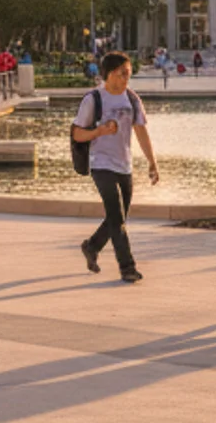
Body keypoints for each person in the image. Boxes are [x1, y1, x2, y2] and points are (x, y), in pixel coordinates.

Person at [71, 52, 159, 283]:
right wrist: (99, 131)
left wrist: (152, 162)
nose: (126, 78)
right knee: (117, 217)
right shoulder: (93, 99)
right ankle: (127, 267)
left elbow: (141, 130)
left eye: (129, 74)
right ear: (110, 75)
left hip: (124, 165)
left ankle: (92, 246)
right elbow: (77, 134)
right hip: (101, 164)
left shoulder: (131, 99)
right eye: (123, 74)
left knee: (117, 217)